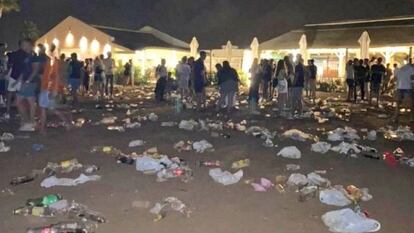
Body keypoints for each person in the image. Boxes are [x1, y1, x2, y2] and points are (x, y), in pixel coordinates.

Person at [38, 44, 72, 134]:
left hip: (48, 88)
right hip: (48, 88)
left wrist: (53, 90)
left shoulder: (51, 61)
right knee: (50, 109)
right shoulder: (52, 61)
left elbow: (54, 77)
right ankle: (66, 123)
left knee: (45, 109)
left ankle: (42, 129)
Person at [15, 39, 38, 131]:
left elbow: (35, 70)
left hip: (30, 82)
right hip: (25, 81)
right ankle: (28, 121)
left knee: (28, 102)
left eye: (25, 45)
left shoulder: (34, 56)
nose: (23, 47)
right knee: (22, 101)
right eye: (22, 45)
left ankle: (30, 121)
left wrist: (27, 81)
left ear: (31, 45)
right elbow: (24, 70)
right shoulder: (26, 56)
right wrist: (19, 80)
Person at [5, 40, 30, 120]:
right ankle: (21, 113)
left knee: (10, 95)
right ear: (22, 45)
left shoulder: (14, 54)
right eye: (26, 45)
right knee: (21, 96)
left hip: (14, 76)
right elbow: (24, 69)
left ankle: (8, 112)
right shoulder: (27, 55)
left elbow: (10, 65)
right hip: (21, 78)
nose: (27, 46)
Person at [0, 43, 7, 107]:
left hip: (2, 76)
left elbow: (5, 67)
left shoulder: (5, 57)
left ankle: (3, 101)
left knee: (2, 90)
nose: (3, 49)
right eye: (1, 48)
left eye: (3, 48)